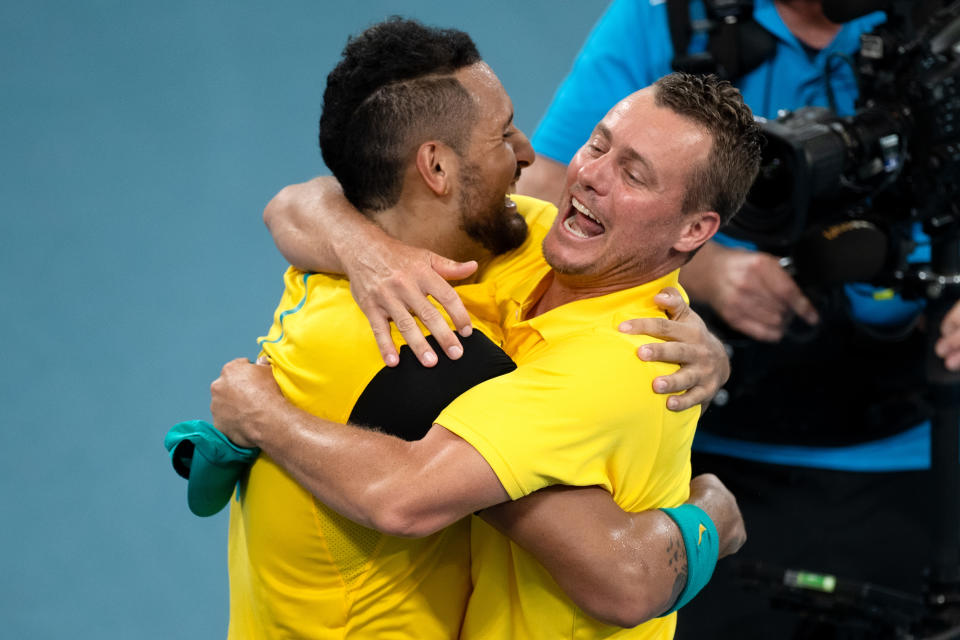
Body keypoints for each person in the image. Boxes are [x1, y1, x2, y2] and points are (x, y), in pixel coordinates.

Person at [221, 19, 746, 639]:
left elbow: (625, 581)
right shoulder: (410, 329)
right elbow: (624, 576)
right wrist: (710, 513)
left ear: (693, 230)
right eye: (599, 145)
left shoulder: (603, 334)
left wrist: (260, 412)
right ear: (436, 168)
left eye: (635, 173)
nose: (541, 158)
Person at [516, 0, 959, 637]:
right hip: (712, 451)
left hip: (908, 455)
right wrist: (705, 268)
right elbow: (544, 191)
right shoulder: (665, 19)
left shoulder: (944, 28)